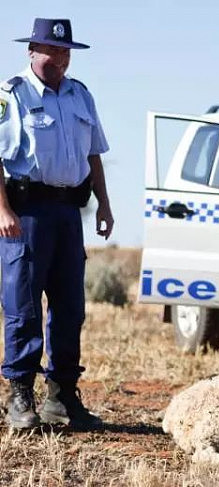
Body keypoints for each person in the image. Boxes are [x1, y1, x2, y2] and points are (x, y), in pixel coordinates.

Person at [0, 18, 113, 430]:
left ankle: (62, 398)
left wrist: (104, 205)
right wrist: (3, 211)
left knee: (70, 308)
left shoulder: (80, 95)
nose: (60, 59)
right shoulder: (11, 94)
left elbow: (94, 154)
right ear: (32, 51)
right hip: (26, 213)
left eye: (65, 52)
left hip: (69, 213)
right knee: (23, 308)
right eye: (52, 51)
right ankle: (20, 397)